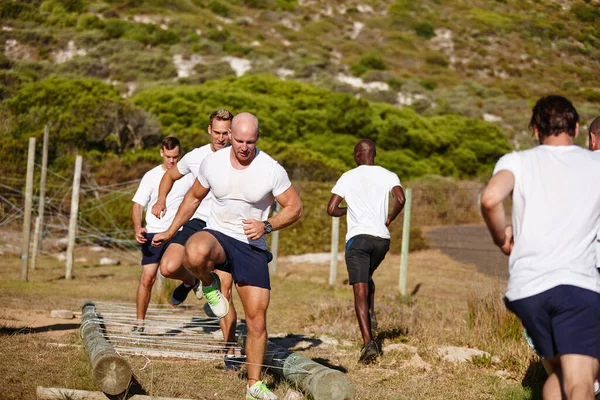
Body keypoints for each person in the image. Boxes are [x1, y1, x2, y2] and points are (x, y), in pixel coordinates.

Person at [152, 112, 302, 400]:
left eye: (251, 141)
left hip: (251, 245)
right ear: (230, 134)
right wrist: (171, 231)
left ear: (257, 138)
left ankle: (254, 385)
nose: (244, 147)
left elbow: (295, 207)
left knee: (256, 319)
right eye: (239, 140)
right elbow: (193, 198)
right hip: (219, 235)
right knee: (194, 251)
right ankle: (207, 285)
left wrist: (267, 225)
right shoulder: (212, 162)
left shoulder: (271, 169)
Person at [481, 95, 600, 400]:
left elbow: (491, 198)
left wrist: (501, 238)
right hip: (577, 286)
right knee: (582, 381)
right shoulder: (595, 163)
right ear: (575, 128)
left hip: (527, 291)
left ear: (535, 130)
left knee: (561, 377)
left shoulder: (516, 161)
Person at [326, 139, 405, 364]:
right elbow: (401, 198)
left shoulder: (347, 177)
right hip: (382, 239)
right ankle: (371, 315)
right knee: (367, 277)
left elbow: (331, 209)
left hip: (358, 241)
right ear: (374, 154)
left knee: (359, 290)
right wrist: (389, 218)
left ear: (358, 155)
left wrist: (348, 210)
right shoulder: (389, 174)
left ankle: (368, 344)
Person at [151, 109, 234, 308]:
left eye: (225, 133)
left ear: (232, 133)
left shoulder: (239, 158)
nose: (221, 138)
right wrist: (161, 200)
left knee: (225, 290)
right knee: (168, 268)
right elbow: (170, 175)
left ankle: (228, 337)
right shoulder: (196, 156)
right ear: (209, 130)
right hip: (197, 220)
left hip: (224, 224)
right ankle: (194, 281)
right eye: (217, 132)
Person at [131, 136, 194, 332]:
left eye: (176, 156)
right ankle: (139, 324)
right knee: (147, 278)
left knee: (170, 269)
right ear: (161, 153)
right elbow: (137, 205)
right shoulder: (150, 176)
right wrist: (137, 227)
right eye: (168, 156)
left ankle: (190, 280)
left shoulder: (189, 176)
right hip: (153, 233)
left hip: (177, 232)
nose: (172, 161)